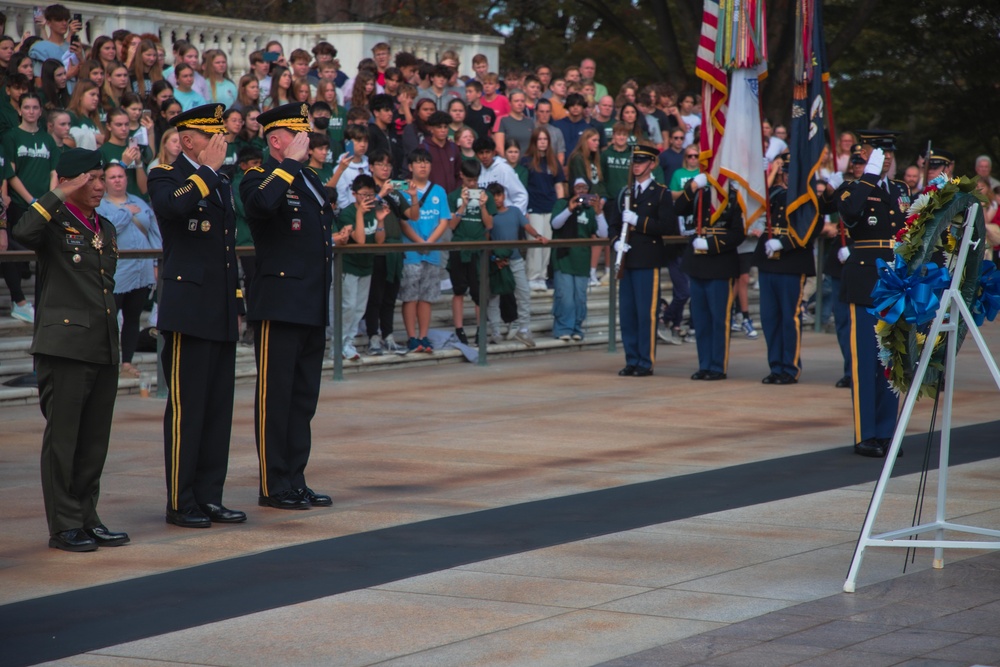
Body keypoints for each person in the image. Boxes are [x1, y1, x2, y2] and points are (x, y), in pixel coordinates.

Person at [14, 148, 128, 552]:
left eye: (103, 178)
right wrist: (59, 193)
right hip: (64, 346)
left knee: (94, 441)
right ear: (70, 180)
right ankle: (64, 524)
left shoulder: (105, 227)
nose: (98, 186)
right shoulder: (53, 219)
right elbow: (22, 232)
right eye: (90, 179)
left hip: (101, 343)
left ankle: (86, 516)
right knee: (63, 441)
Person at [147, 104, 245, 527]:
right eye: (212, 135)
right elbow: (172, 208)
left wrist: (237, 305)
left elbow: (226, 249)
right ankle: (180, 500)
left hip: (220, 307)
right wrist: (205, 172)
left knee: (218, 409)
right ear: (188, 140)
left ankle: (209, 496)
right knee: (187, 409)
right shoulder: (165, 175)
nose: (220, 142)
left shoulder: (220, 179)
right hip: (188, 310)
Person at [240, 102, 336, 510]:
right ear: (276, 140)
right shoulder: (258, 177)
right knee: (275, 398)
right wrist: (290, 165)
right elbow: (262, 206)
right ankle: (273, 483)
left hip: (311, 301)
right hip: (279, 303)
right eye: (297, 135)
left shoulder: (310, 178)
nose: (305, 140)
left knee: (302, 398)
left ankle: (295, 477)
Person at [837, 130, 908, 458]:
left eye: (889, 151)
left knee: (890, 360)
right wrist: (868, 177)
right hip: (865, 280)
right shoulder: (852, 188)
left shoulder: (900, 190)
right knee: (865, 360)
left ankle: (887, 432)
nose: (887, 156)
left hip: (895, 282)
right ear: (863, 154)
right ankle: (866, 434)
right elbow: (850, 214)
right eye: (879, 150)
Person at [608, 144, 678, 377]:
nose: (636, 165)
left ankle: (645, 362)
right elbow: (614, 225)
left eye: (641, 161)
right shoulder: (625, 192)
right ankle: (631, 359)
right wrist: (616, 241)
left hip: (648, 260)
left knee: (645, 313)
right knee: (627, 313)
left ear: (652, 164)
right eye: (634, 161)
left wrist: (639, 221)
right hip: (627, 260)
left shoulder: (661, 193)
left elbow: (668, 226)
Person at [754, 151, 819, 386]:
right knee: (770, 317)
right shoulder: (775, 193)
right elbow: (758, 206)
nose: (790, 176)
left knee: (789, 318)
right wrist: (761, 175)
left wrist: (784, 243)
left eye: (795, 172)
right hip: (769, 261)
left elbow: (810, 229)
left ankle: (789, 368)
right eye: (787, 172)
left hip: (792, 262)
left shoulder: (809, 199)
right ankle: (775, 366)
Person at [675, 175, 745, 380]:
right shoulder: (699, 194)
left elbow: (738, 234)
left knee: (718, 319)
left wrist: (712, 244)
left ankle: (717, 366)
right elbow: (678, 209)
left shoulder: (733, 197)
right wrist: (693, 186)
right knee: (701, 318)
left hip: (720, 264)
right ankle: (704, 364)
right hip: (697, 263)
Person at [97, 162, 160, 379]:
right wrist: (125, 212)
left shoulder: (140, 203)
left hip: (141, 269)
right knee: (109, 319)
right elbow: (107, 230)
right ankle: (108, 361)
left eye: (121, 176)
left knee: (133, 318)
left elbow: (154, 234)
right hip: (116, 270)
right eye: (112, 177)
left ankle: (127, 362)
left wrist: (155, 263)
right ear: (104, 181)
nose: (117, 180)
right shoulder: (100, 205)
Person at [3, 92, 59, 324]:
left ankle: (46, 301)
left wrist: (48, 201)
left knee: (44, 253)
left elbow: (54, 171)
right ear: (20, 110)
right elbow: (10, 173)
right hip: (19, 204)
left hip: (43, 207)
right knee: (14, 253)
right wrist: (31, 201)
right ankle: (19, 301)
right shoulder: (11, 136)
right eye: (27, 107)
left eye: (35, 107)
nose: (31, 111)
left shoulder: (47, 139)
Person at [398, 148, 450, 353]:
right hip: (411, 252)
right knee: (410, 296)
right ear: (410, 167)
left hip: (432, 252)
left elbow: (444, 220)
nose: (423, 166)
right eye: (418, 162)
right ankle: (412, 337)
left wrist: (430, 243)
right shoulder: (402, 190)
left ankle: (423, 336)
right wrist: (419, 242)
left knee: (426, 296)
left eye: (426, 162)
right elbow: (403, 221)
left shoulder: (439, 191)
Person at [485, 181, 547, 346]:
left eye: (499, 195)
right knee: (493, 297)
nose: (497, 199)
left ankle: (524, 329)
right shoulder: (489, 216)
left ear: (504, 195)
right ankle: (495, 331)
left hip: (515, 259)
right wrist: (493, 258)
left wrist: (538, 235)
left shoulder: (514, 211)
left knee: (524, 293)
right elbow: (486, 238)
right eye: (493, 196)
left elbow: (527, 226)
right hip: (496, 261)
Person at [333, 173, 387, 360]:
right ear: (354, 194)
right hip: (349, 266)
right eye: (363, 195)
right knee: (347, 306)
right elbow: (361, 240)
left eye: (371, 195)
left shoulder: (375, 210)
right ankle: (337, 345)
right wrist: (359, 213)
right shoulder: (348, 212)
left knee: (359, 309)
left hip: (367, 266)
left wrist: (380, 220)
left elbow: (379, 241)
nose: (367, 199)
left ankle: (348, 343)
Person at [363, 149, 409, 355]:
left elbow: (411, 216)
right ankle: (373, 336)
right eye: (380, 164)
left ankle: (388, 335)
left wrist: (414, 196)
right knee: (375, 297)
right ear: (371, 167)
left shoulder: (396, 192)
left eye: (388, 165)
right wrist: (381, 194)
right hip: (375, 249)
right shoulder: (366, 188)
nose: (385, 168)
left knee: (390, 296)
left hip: (395, 250)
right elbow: (362, 210)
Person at [551, 178, 608, 340]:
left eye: (584, 188)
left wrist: (599, 212)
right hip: (564, 258)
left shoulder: (589, 210)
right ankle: (563, 329)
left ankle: (576, 328)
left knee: (580, 298)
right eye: (578, 188)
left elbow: (603, 234)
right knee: (565, 296)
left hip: (582, 260)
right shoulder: (561, 204)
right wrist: (570, 209)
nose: (581, 191)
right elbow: (555, 224)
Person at [447, 160, 495, 343]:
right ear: (461, 176)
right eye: (469, 180)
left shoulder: (486, 195)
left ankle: (480, 328)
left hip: (479, 248)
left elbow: (489, 224)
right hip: (459, 246)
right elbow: (451, 225)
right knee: (458, 290)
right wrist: (463, 205)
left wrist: (482, 205)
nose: (472, 184)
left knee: (479, 291)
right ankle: (459, 329)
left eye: (475, 180)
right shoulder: (453, 197)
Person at [522, 126, 566, 290]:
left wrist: (561, 208)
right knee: (535, 242)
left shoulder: (553, 161)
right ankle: (532, 277)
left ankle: (542, 276)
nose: (542, 142)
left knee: (547, 243)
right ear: (534, 141)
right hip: (533, 207)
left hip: (550, 207)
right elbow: (522, 187)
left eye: (545, 139)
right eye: (539, 139)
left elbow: (559, 186)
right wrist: (523, 210)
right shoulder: (526, 161)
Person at [474, 136, 529, 214]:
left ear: (493, 153)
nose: (484, 156)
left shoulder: (504, 169)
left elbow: (521, 195)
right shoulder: (476, 170)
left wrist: (513, 216)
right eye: (481, 153)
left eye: (487, 152)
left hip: (504, 216)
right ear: (476, 155)